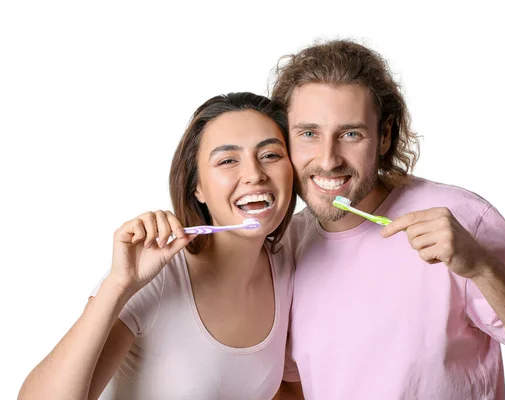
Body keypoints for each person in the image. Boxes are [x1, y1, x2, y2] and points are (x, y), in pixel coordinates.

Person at [272, 40, 505, 399]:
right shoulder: (286, 247)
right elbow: (293, 384)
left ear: (385, 135)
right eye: (309, 133)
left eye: (350, 134)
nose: (329, 159)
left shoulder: (460, 220)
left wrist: (482, 268)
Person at [18, 92, 297, 400]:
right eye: (228, 160)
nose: (254, 174)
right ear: (197, 188)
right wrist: (118, 285)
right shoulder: (158, 279)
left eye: (270, 155)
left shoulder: (287, 266)